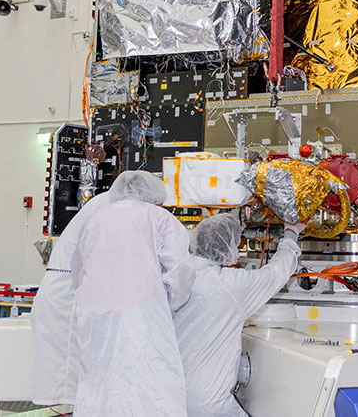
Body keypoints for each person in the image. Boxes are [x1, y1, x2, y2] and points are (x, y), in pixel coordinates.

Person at [71, 170, 195, 417]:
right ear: (154, 194)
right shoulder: (160, 218)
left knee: (100, 384)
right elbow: (179, 270)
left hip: (96, 319)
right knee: (148, 384)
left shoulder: (94, 219)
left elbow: (78, 270)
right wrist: (167, 303)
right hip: (143, 318)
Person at [173, 213, 304, 417]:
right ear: (226, 248)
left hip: (168, 398)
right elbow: (276, 273)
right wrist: (292, 233)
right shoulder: (228, 286)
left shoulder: (175, 278)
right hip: (208, 404)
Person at [31, 171, 140, 405]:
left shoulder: (108, 206)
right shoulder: (108, 209)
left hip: (69, 293)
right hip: (66, 302)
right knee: (67, 386)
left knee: (78, 386)